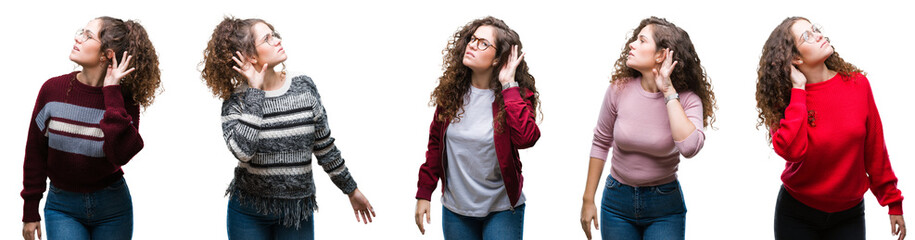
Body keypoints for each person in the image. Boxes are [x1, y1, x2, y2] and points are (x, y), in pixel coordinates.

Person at [200, 16, 374, 239]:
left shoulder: (304, 87)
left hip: (296, 212)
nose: (277, 40)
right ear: (251, 56)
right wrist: (255, 92)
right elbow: (243, 152)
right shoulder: (236, 102)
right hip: (248, 212)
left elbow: (324, 146)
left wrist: (351, 189)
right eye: (267, 39)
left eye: (274, 34)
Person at [756, 16, 906, 240]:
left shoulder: (857, 85)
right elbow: (792, 151)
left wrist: (893, 202)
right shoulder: (786, 100)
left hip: (849, 216)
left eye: (815, 29)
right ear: (795, 58)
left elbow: (875, 150)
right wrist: (798, 89)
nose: (818, 35)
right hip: (797, 214)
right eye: (807, 36)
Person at [21, 16, 161, 240]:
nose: (78, 38)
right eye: (81, 32)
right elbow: (35, 153)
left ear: (108, 54)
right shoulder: (52, 90)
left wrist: (112, 92)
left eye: (88, 36)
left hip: (113, 209)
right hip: (62, 207)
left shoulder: (125, 101)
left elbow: (120, 155)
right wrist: (30, 211)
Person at [579, 16, 716, 240]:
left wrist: (668, 91)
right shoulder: (618, 90)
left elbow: (690, 148)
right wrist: (587, 199)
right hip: (616, 203)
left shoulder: (688, 100)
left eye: (642, 40)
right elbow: (601, 142)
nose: (632, 44)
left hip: (664, 207)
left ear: (662, 55)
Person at [413, 16, 541, 240]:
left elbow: (526, 139)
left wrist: (508, 85)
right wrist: (424, 192)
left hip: (502, 209)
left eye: (483, 43)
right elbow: (435, 145)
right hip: (456, 211)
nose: (472, 44)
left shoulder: (516, 96)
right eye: (472, 39)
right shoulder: (451, 94)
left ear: (497, 59)